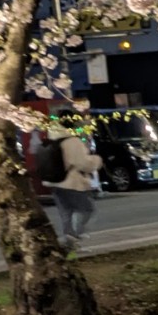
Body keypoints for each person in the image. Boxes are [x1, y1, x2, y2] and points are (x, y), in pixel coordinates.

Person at [44, 103, 102, 254]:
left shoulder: (52, 139)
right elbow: (83, 163)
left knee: (66, 214)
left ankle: (70, 246)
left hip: (55, 182)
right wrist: (96, 161)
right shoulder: (72, 141)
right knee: (87, 210)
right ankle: (75, 238)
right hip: (72, 183)